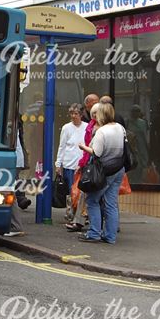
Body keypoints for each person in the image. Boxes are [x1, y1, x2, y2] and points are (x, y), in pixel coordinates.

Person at [77, 102, 126, 243]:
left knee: (92, 200)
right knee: (111, 203)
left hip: (104, 171)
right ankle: (110, 236)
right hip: (119, 169)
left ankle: (94, 233)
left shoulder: (102, 132)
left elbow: (96, 153)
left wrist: (83, 147)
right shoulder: (120, 128)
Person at [67, 96, 100, 232]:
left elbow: (93, 150)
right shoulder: (92, 127)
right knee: (83, 195)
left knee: (90, 198)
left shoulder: (95, 129)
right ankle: (80, 222)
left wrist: (83, 152)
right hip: (90, 165)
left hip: (96, 167)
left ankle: (94, 228)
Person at [55, 103, 86, 222]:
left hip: (82, 164)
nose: (73, 116)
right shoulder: (66, 128)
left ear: (81, 114)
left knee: (80, 192)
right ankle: (71, 213)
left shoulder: (86, 127)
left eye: (76, 113)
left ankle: (79, 215)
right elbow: (62, 146)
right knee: (71, 191)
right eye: (71, 113)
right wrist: (59, 164)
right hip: (69, 164)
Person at [5, 116, 31, 237]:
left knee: (9, 191)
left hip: (12, 161)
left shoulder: (9, 126)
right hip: (15, 160)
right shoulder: (11, 124)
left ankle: (15, 226)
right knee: (11, 189)